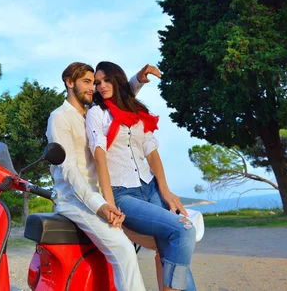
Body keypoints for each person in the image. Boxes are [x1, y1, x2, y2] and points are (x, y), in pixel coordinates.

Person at [46, 61, 160, 291]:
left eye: (94, 83)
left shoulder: (92, 114)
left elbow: (117, 97)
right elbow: (69, 170)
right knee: (124, 249)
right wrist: (100, 206)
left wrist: (137, 79)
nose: (93, 88)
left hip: (105, 196)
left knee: (161, 237)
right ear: (69, 83)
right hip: (75, 200)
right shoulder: (59, 117)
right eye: (87, 82)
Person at [85, 61, 197, 291]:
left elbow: (151, 152)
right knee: (183, 229)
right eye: (97, 83)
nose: (102, 86)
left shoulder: (135, 111)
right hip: (123, 193)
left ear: (117, 80)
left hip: (151, 186)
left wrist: (165, 190)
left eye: (107, 80)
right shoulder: (97, 114)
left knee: (171, 245)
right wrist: (109, 202)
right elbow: (100, 157)